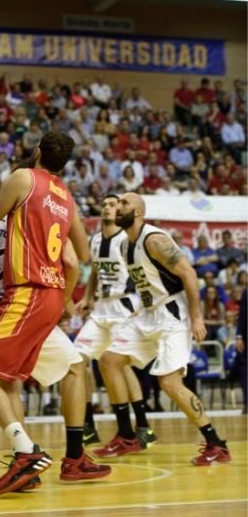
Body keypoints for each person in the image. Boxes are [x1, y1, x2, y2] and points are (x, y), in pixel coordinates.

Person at [0, 132, 110, 494]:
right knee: (66, 368)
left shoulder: (23, 178)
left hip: (25, 292)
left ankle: (23, 453)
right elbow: (81, 257)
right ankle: (73, 457)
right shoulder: (67, 196)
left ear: (37, 152)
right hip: (52, 294)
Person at [99, 193, 231, 466]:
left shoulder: (154, 240)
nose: (117, 207)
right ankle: (127, 435)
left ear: (137, 212)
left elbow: (189, 274)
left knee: (169, 383)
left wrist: (196, 317)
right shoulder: (125, 245)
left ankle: (216, 443)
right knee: (109, 361)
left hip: (173, 315)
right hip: (148, 314)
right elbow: (147, 283)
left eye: (124, 204)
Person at [74, 194, 156, 456]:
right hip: (101, 309)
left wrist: (143, 306)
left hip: (125, 306)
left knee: (121, 366)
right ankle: (87, 424)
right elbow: (96, 271)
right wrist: (88, 296)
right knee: (76, 359)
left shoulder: (127, 239)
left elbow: (144, 273)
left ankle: (141, 426)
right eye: (105, 204)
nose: (108, 207)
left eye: (113, 204)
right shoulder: (96, 239)